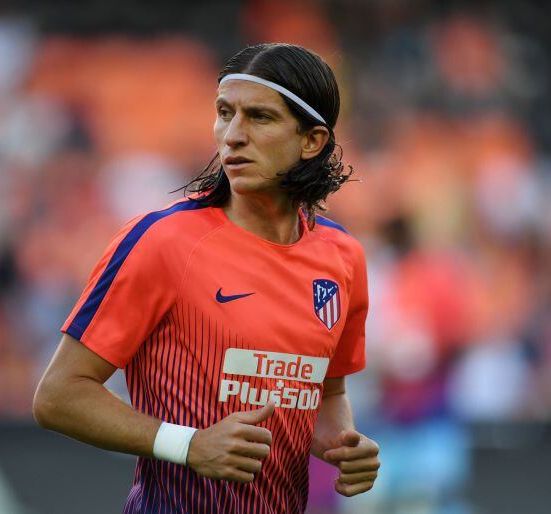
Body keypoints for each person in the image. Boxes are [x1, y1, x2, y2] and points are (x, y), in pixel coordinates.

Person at [33, 42, 380, 513]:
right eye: (224, 112)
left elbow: (325, 393)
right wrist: (189, 445)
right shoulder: (163, 241)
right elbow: (58, 396)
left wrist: (343, 445)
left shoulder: (343, 258)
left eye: (259, 117)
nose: (232, 135)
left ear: (312, 141)